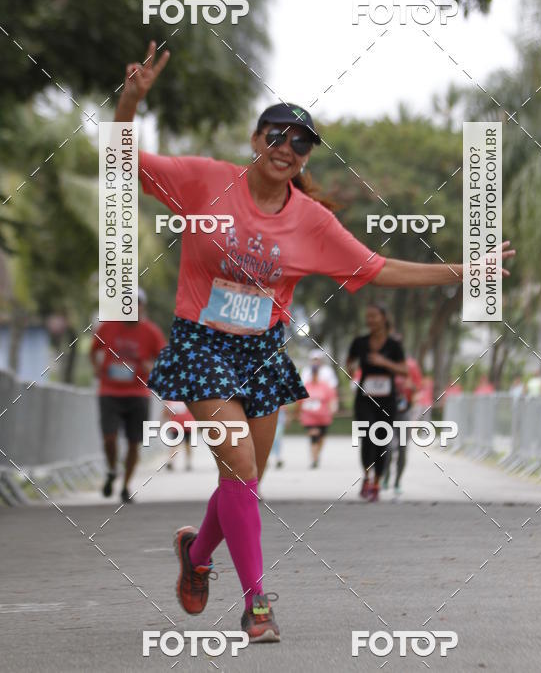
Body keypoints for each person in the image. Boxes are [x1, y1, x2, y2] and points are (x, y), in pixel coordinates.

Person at [113, 42, 514, 642]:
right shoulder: (205, 181)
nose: (287, 148)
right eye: (277, 135)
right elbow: (121, 162)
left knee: (244, 479)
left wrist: (464, 270)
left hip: (262, 352)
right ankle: (257, 606)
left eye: (301, 143)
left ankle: (196, 555)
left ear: (305, 157)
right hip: (202, 344)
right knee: (240, 464)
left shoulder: (311, 221)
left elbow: (378, 268)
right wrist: (130, 102)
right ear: (256, 139)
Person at [90, 288, 167, 503]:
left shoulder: (151, 332)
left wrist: (152, 368)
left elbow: (164, 360)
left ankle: (125, 486)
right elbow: (93, 350)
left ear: (143, 307)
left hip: (138, 393)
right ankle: (112, 470)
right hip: (109, 391)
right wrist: (96, 368)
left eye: (136, 303)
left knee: (134, 443)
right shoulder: (107, 327)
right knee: (109, 437)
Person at [347, 305, 406, 502]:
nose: (370, 320)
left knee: (382, 439)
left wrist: (384, 362)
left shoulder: (394, 345)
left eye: (374, 316)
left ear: (384, 318)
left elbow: (404, 370)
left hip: (387, 399)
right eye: (368, 317)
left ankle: (377, 483)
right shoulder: (360, 342)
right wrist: (350, 368)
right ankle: (367, 477)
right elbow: (349, 362)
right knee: (367, 436)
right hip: (365, 398)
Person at [382, 353, 423, 499]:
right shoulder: (384, 363)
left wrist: (415, 417)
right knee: (388, 447)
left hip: (405, 412)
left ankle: (397, 482)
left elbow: (418, 391)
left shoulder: (411, 365)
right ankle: (386, 475)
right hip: (388, 413)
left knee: (403, 448)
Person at [298, 365, 338, 468]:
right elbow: (300, 401)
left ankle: (317, 455)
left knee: (321, 438)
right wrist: (299, 413)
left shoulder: (325, 386)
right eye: (313, 373)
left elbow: (331, 399)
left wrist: (333, 409)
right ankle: (314, 459)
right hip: (309, 417)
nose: (314, 375)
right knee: (314, 436)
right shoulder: (306, 386)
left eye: (316, 373)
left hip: (323, 417)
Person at [163, 401, 195, 471]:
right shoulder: (187, 399)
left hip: (178, 425)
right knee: (187, 444)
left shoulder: (171, 401)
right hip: (185, 425)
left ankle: (172, 461)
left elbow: (165, 412)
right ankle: (188, 462)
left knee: (175, 445)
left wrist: (163, 421)